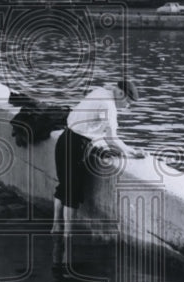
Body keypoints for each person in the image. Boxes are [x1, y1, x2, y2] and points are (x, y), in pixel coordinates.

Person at [52, 79, 145, 237]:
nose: (128, 107)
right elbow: (112, 139)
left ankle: (56, 226)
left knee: (64, 185)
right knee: (73, 193)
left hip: (64, 138)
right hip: (78, 146)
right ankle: (68, 236)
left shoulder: (99, 92)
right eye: (128, 102)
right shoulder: (108, 106)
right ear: (121, 94)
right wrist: (133, 151)